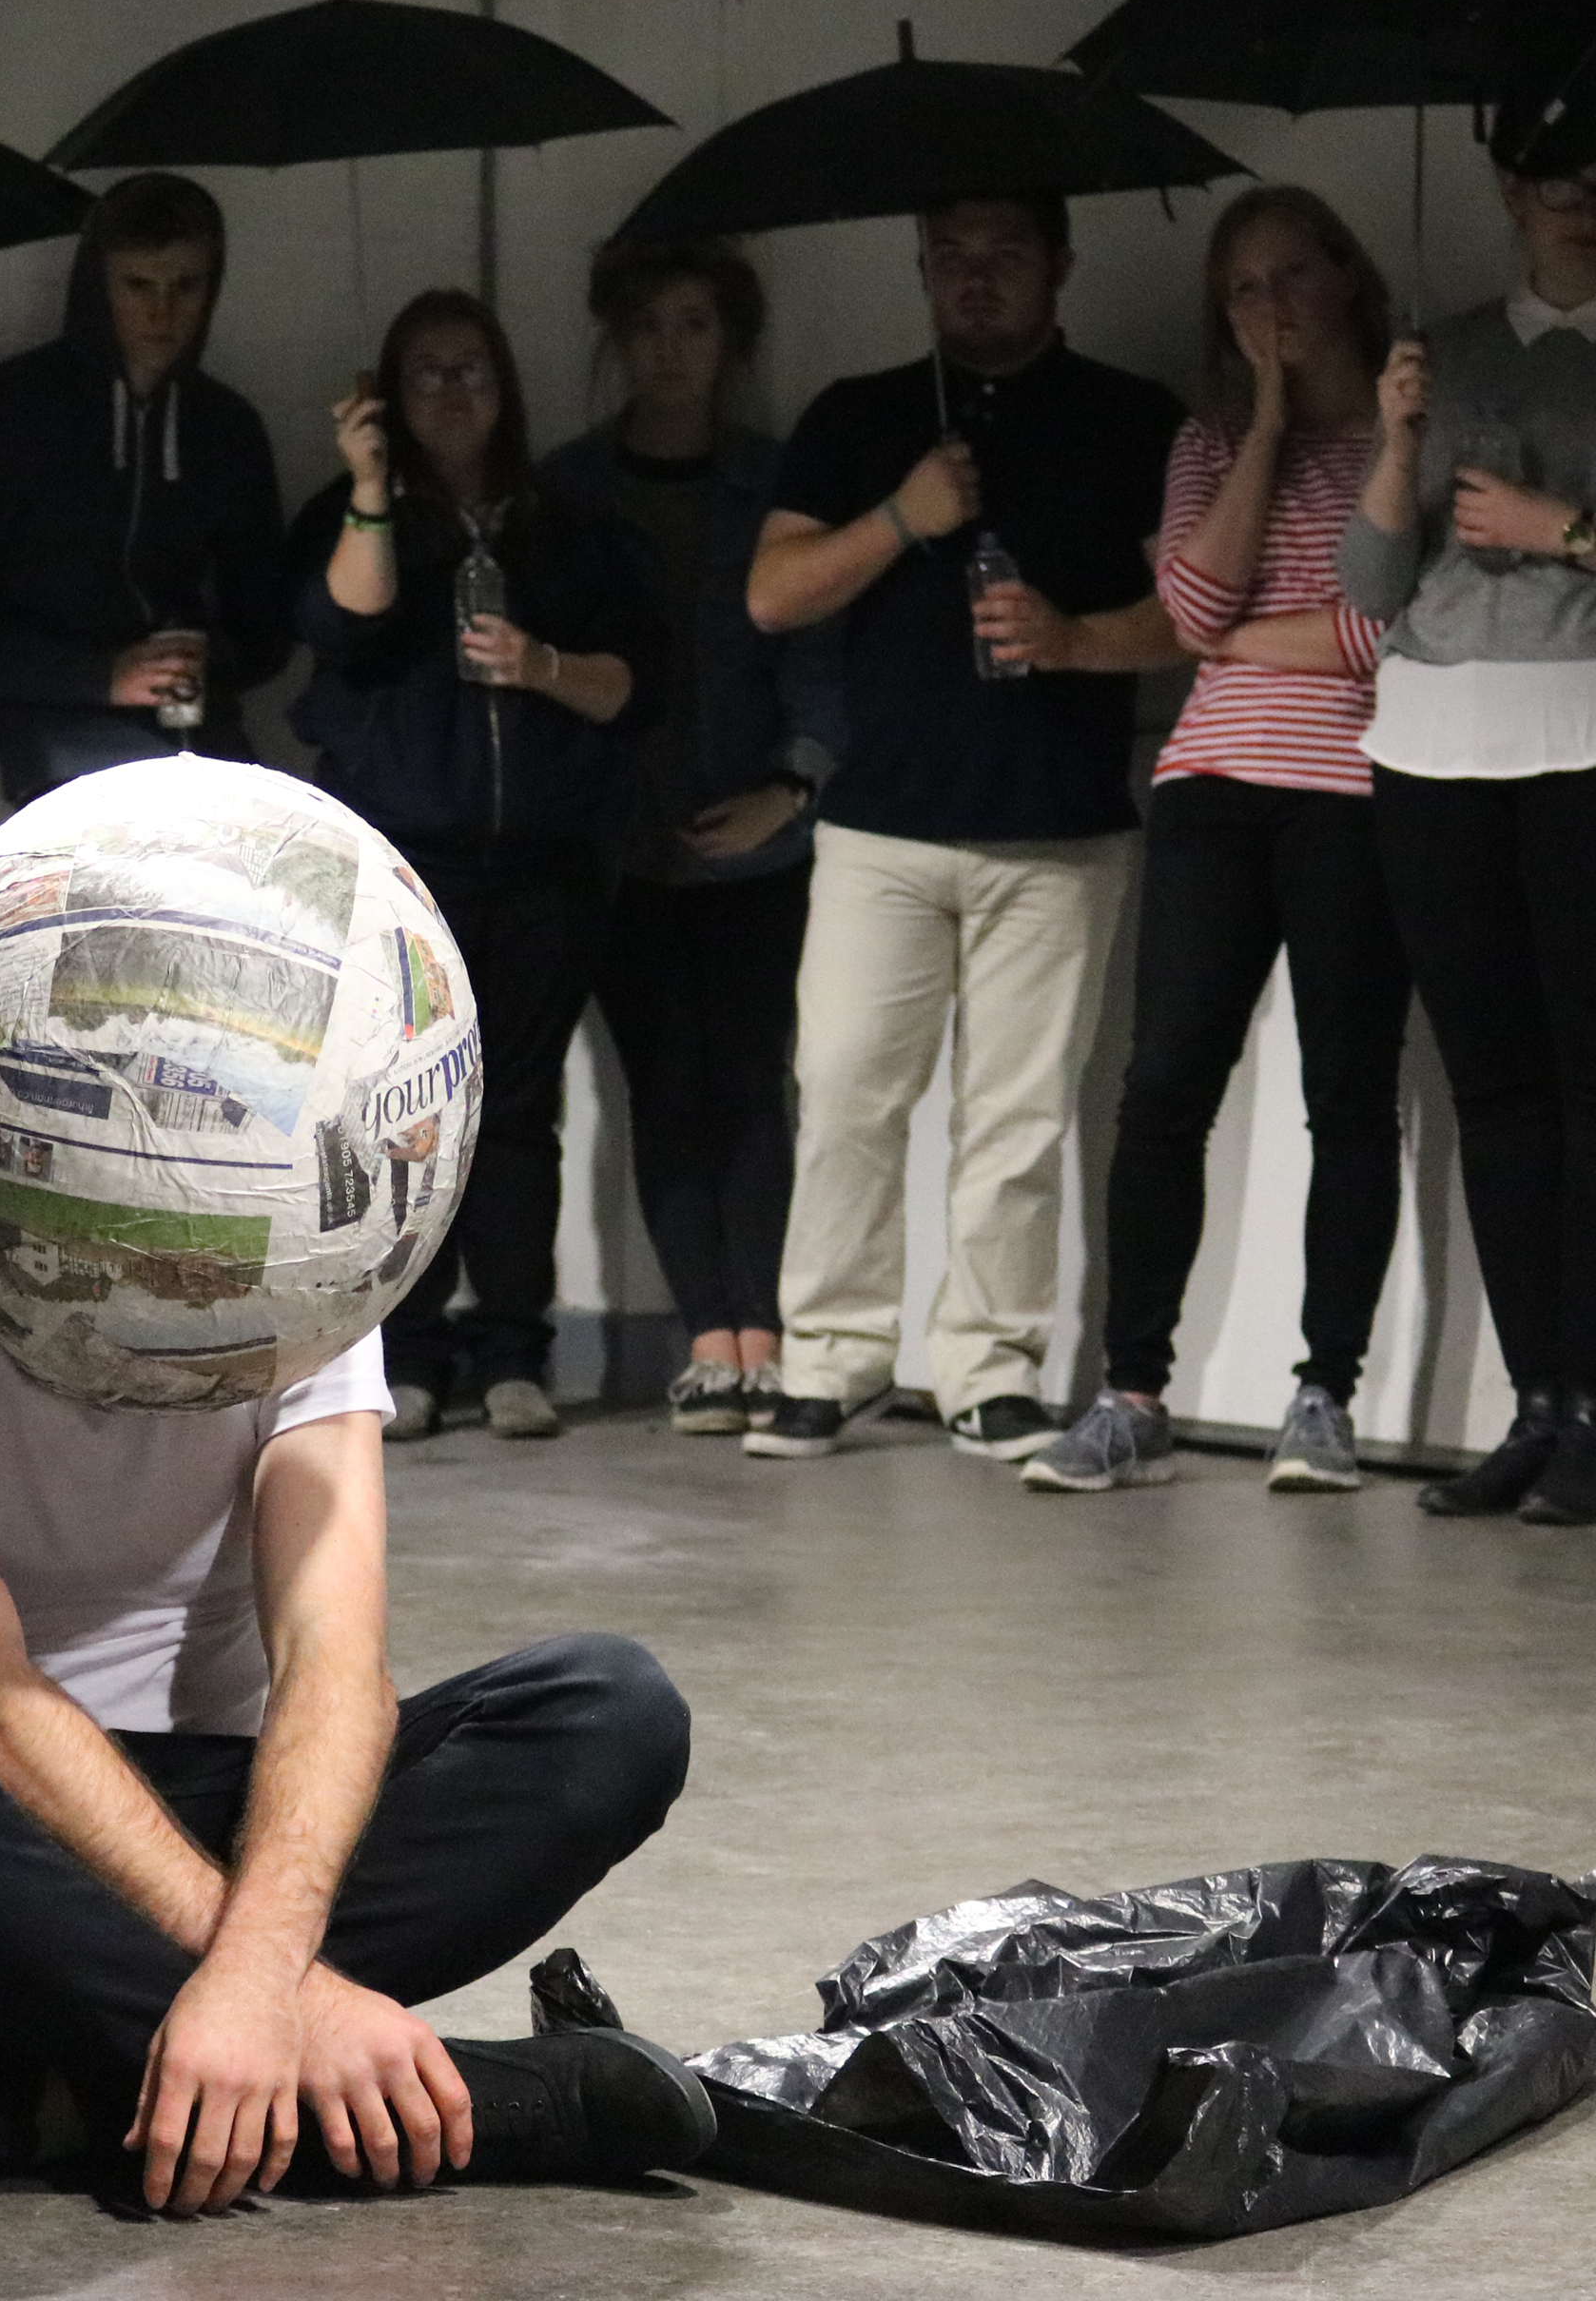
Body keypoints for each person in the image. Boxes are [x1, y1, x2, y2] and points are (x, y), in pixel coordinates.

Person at [0, 788, 710, 2213]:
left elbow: (331, 1660)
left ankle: (33, 2106)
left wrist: (257, 1972)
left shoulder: (304, 1269)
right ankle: (474, 2105)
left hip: (221, 1823)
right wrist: (281, 1990)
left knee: (613, 1707)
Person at [743, 196, 1185, 1463]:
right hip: (881, 823)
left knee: (1019, 1116)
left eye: (1004, 256)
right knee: (841, 1095)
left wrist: (1073, 639)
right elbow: (773, 594)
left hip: (1058, 824)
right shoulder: (859, 413)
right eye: (950, 257)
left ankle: (989, 1370)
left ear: (1060, 266)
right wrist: (903, 516)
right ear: (922, 269)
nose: (975, 280)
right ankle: (828, 1361)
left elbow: (1194, 612)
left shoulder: (1130, 415)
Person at [1343, 154, 1596, 1527]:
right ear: (1511, 194)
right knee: (1497, 1087)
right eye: (1561, 186)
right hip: (1435, 737)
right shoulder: (1441, 349)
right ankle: (1532, 1406)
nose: (1589, 213)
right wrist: (1397, 442)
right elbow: (1370, 585)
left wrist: (1566, 532)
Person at [1024, 190, 1405, 1498]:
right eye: (1243, 288)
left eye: (1293, 275)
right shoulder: (1211, 440)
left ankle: (1325, 1395)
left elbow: (1376, 629)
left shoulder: (1405, 437)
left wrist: (1232, 637)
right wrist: (1268, 430)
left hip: (1356, 790)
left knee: (1350, 1094)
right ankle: (1135, 1392)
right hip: (1210, 784)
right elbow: (1189, 601)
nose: (1272, 307)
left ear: (1347, 280)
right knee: (1165, 1085)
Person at [289, 289, 652, 1444]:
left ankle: (513, 1351)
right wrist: (366, 489)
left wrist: (539, 664)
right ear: (392, 394)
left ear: (506, 388)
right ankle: (405, 1353)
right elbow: (342, 627)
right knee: (400, 1113)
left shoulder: (566, 523)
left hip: (544, 862)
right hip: (407, 868)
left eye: (473, 369)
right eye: (428, 372)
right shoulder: (358, 515)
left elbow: (628, 685)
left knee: (518, 1112)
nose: (452, 391)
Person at [542, 239, 833, 1437]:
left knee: (753, 1077)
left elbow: (819, 646)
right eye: (649, 322)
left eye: (695, 322)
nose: (670, 346)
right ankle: (706, 1333)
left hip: (756, 829)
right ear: (616, 337)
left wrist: (793, 785)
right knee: (661, 1086)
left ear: (732, 342)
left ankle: (762, 1327)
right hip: (617, 837)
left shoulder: (776, 481)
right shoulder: (566, 487)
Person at [0, 173, 289, 805]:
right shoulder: (10, 408)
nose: (162, 312)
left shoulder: (226, 427)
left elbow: (268, 628)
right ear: (98, 283)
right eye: (138, 285)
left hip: (208, 754)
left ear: (212, 287)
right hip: (64, 761)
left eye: (185, 286)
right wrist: (102, 678)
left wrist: (210, 660)